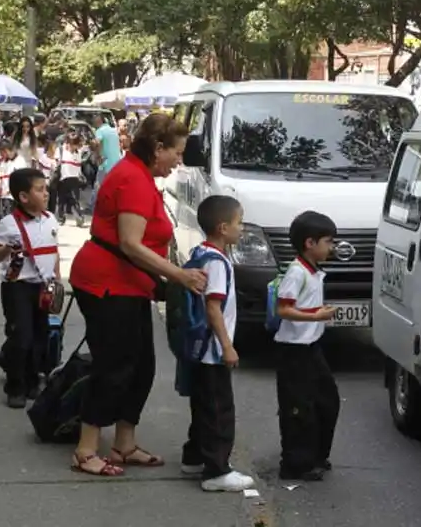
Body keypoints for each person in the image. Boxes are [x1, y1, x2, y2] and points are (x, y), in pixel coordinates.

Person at [67, 113, 206, 477]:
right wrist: (179, 275)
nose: (179, 160)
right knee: (113, 366)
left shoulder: (140, 175)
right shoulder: (131, 178)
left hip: (130, 285)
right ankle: (85, 449)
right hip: (107, 283)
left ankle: (124, 443)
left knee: (142, 366)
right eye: (176, 152)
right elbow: (129, 243)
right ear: (157, 148)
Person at [179, 195, 255, 492]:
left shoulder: (200, 252)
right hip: (212, 350)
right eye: (239, 222)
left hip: (197, 348)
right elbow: (214, 308)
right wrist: (227, 346)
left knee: (202, 406)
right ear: (223, 227)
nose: (242, 228)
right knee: (219, 410)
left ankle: (194, 457)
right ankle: (216, 471)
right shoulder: (218, 263)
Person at [273, 211, 339, 481]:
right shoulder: (297, 272)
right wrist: (316, 316)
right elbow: (283, 309)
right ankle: (295, 464)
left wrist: (318, 313)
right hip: (294, 350)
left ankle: (316, 454)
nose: (331, 247)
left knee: (327, 401)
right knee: (298, 407)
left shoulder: (314, 271)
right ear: (310, 243)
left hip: (312, 347)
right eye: (328, 241)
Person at [0, 168, 59, 408]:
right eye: (40, 190)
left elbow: (53, 251)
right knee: (21, 336)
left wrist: (57, 279)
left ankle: (32, 379)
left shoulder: (50, 219)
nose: (46, 193)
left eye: (46, 188)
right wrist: (8, 249)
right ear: (23, 197)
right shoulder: (8, 224)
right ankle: (15, 386)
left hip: (42, 286)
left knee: (39, 335)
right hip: (17, 287)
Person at [90, 114, 121, 210]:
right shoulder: (113, 131)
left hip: (106, 163)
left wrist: (98, 155)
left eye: (95, 122)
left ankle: (93, 206)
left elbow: (97, 142)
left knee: (98, 185)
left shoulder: (100, 131)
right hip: (117, 162)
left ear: (99, 122)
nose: (94, 124)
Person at [0, 140, 28, 215]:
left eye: (0, 152)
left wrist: (11, 190)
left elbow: (21, 180)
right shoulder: (2, 163)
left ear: (5, 150)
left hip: (13, 197)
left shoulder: (20, 161)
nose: (0, 154)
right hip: (3, 196)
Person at [56, 134, 84, 226]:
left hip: (74, 179)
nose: (73, 146)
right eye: (72, 144)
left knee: (75, 200)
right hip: (62, 179)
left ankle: (79, 218)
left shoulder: (78, 153)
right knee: (61, 200)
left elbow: (79, 167)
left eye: (75, 144)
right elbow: (56, 163)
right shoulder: (60, 150)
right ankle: (60, 218)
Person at [36, 135, 59, 213]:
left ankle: (51, 213)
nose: (54, 150)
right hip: (44, 180)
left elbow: (55, 172)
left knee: (52, 199)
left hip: (52, 182)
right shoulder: (43, 157)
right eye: (53, 148)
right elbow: (39, 169)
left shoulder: (56, 160)